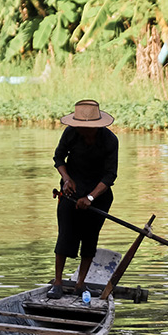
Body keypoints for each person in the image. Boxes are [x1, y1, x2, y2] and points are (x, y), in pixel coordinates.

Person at [48, 99, 118, 299]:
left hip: (99, 195)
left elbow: (110, 175)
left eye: (88, 128)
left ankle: (80, 284)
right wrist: (66, 179)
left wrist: (90, 197)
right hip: (70, 193)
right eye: (81, 127)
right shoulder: (71, 133)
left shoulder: (110, 141)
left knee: (90, 238)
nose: (84, 131)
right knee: (64, 236)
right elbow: (59, 158)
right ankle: (58, 282)